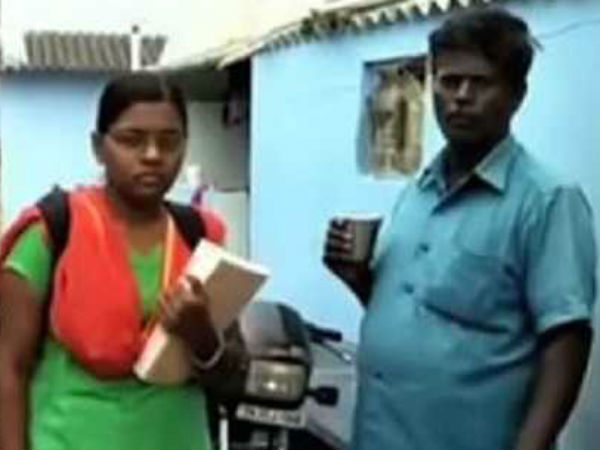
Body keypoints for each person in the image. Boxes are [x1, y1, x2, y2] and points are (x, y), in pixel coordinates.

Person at [324, 8, 596, 450]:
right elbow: (418, 309)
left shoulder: (547, 201)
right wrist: (358, 279)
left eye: (480, 83)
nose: (461, 97)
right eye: (449, 81)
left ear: (517, 95)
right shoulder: (418, 192)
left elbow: (566, 339)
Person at [0, 72, 229, 450]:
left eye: (169, 141)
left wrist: (201, 332)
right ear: (98, 147)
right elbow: (9, 366)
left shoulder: (201, 236)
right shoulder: (53, 231)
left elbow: (230, 376)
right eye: (131, 140)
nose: (152, 155)